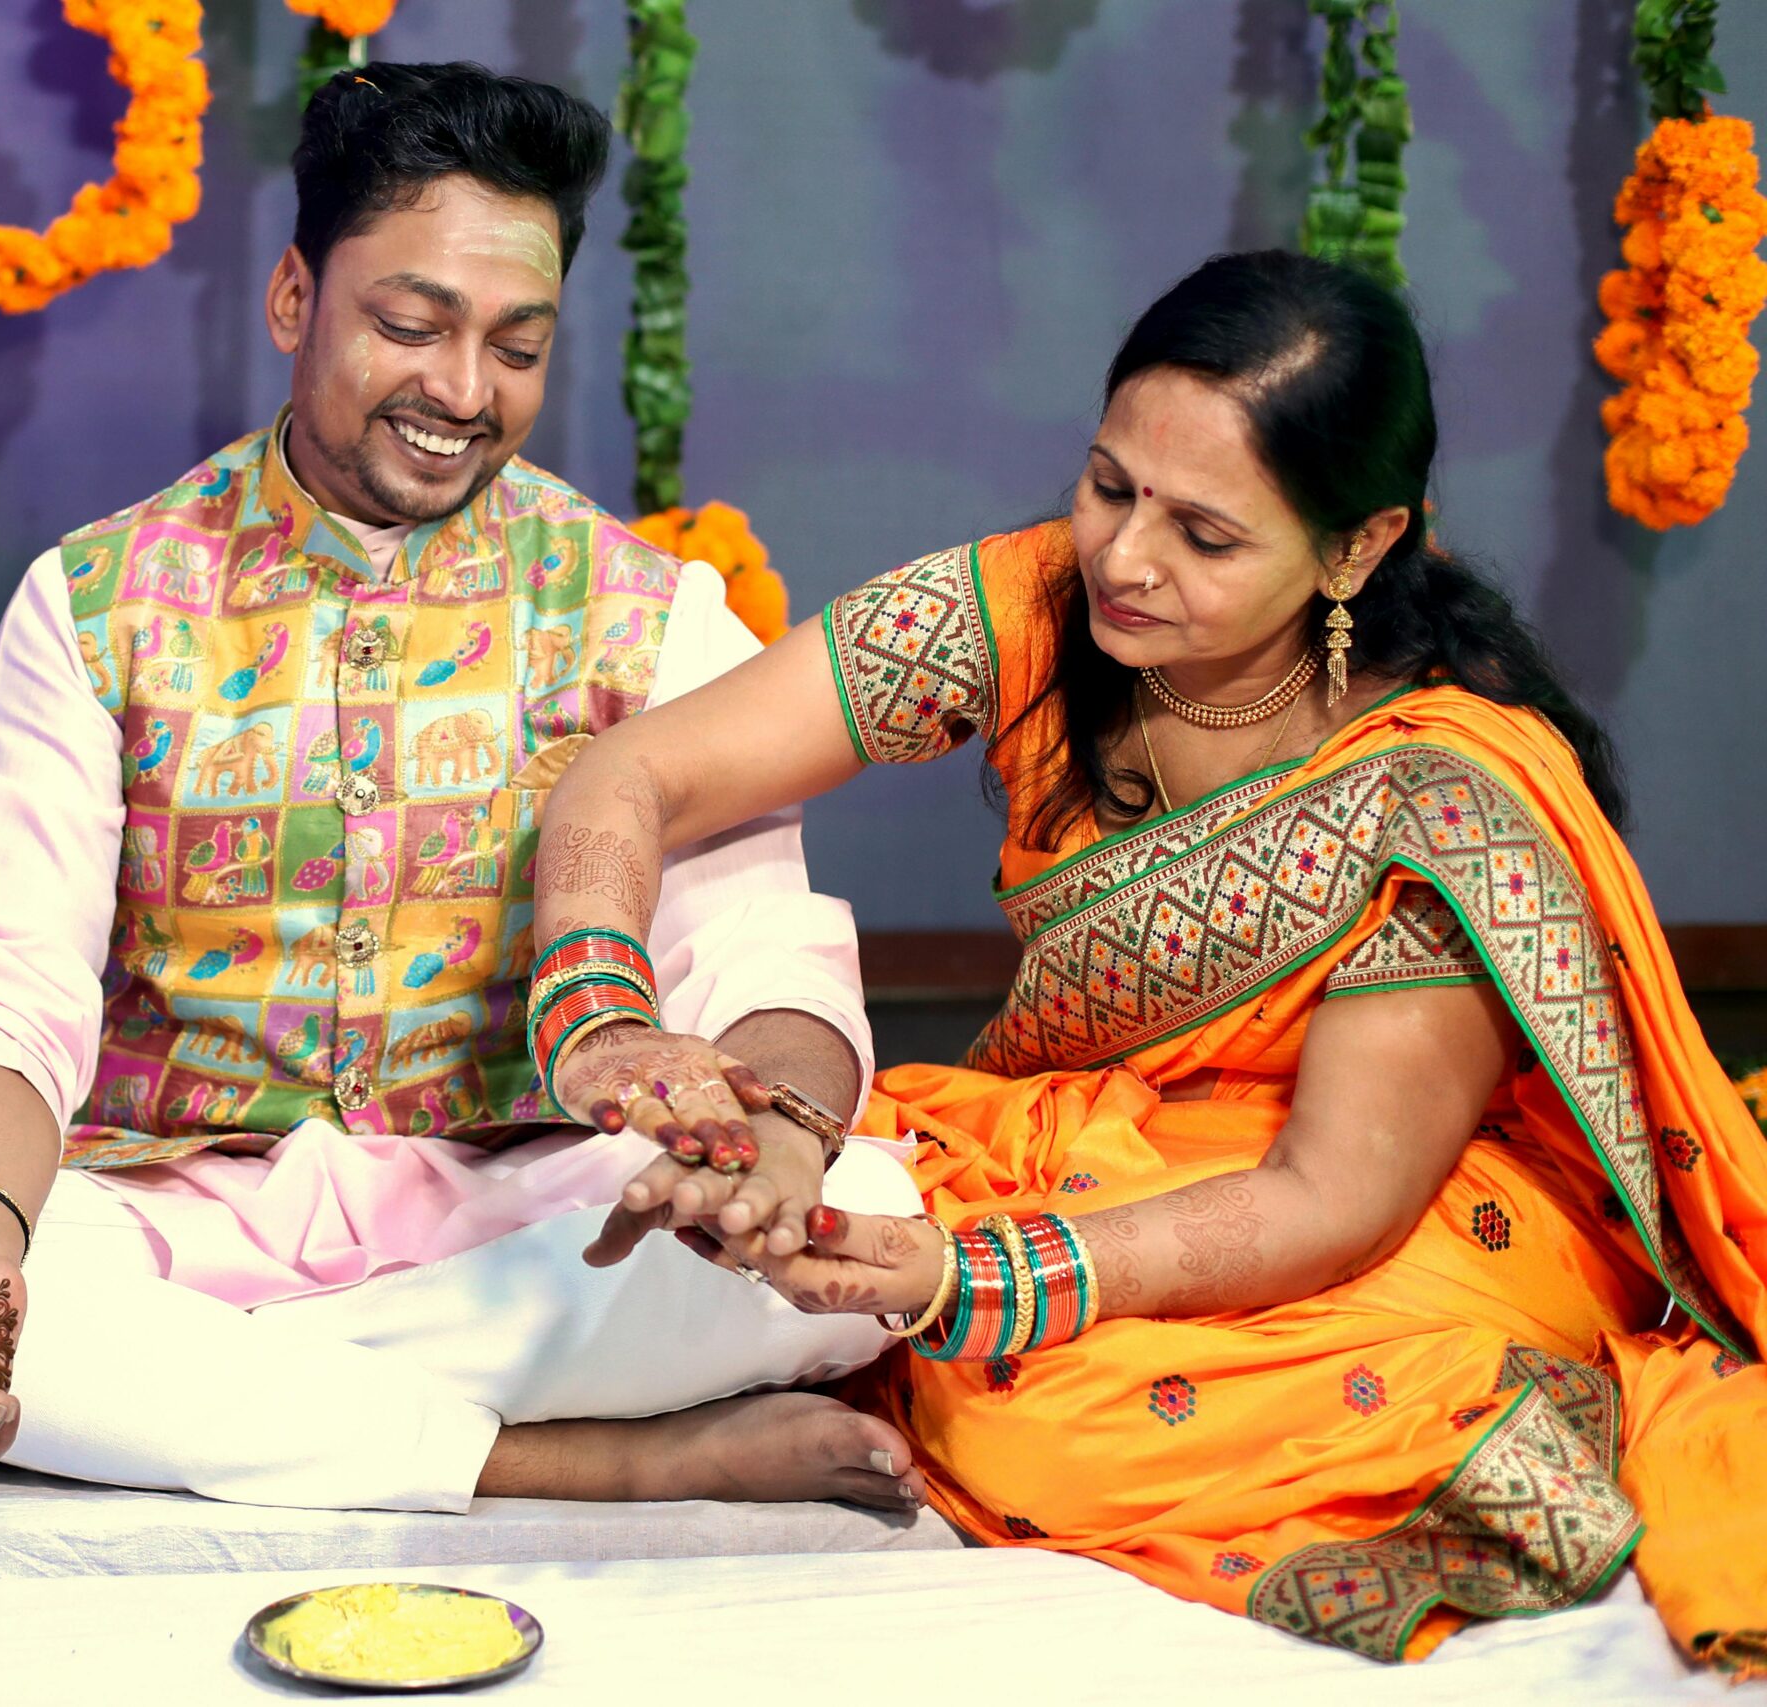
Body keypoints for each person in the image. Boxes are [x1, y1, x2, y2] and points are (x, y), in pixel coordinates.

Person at [528, 250, 1765, 1672]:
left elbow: (1330, 1195)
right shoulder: (1037, 601)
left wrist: (973, 1281)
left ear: (1356, 549)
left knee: (1038, 1407)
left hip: (1399, 1207)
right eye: (1109, 485)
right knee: (715, 1245)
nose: (1124, 557)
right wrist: (604, 1020)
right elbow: (637, 771)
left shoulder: (1439, 799)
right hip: (1097, 1150)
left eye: (1206, 535)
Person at [0, 62, 927, 1517]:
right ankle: (576, 1457)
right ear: (293, 299)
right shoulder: (98, 602)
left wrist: (775, 1150)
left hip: (518, 1214)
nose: (464, 392)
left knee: (870, 1216)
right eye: (410, 325)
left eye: (517, 344)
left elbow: (760, 954)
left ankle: (217, 1405)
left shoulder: (652, 615)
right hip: (186, 1211)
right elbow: (5, 975)